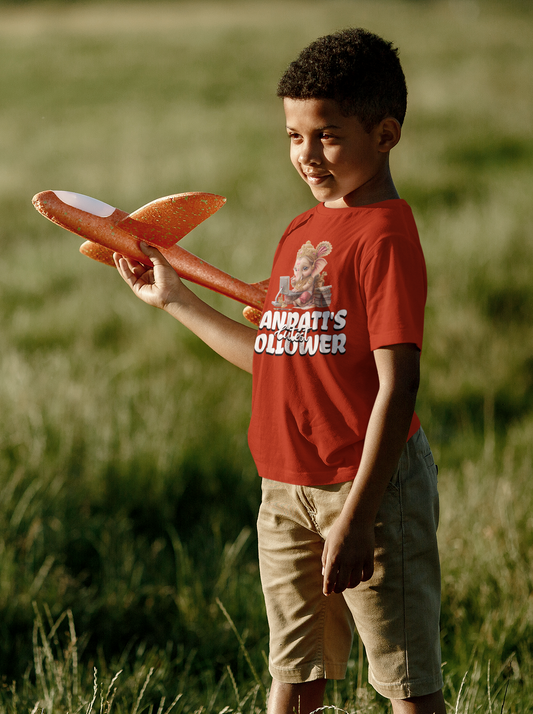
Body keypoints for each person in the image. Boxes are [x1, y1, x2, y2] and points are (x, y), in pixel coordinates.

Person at [113, 28, 446, 714]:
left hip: (368, 493)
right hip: (283, 488)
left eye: (326, 135)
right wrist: (178, 302)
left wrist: (355, 518)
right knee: (294, 679)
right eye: (294, 136)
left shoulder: (383, 236)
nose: (307, 155)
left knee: (404, 685)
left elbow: (397, 385)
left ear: (385, 134)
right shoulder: (301, 230)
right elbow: (273, 361)